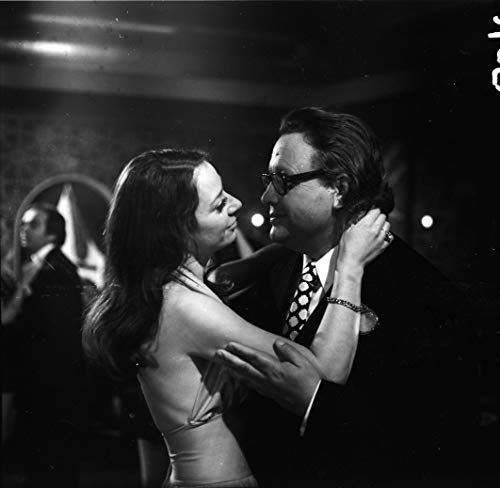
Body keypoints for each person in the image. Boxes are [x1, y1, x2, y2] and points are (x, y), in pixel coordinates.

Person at [82, 148, 391, 488]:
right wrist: (350, 267)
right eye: (218, 205)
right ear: (177, 229)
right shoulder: (186, 307)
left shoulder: (169, 287)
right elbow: (324, 372)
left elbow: (236, 272)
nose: (237, 203)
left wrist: (301, 238)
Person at [214, 107, 478, 486]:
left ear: (338, 189)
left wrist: (315, 403)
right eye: (268, 179)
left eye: (282, 180)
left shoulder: (425, 295)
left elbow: (440, 445)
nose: (266, 195)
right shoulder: (274, 269)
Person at [14, 203, 87, 487]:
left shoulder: (56, 270)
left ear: (52, 234)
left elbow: (58, 334)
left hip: (51, 386)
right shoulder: (39, 266)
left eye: (33, 224)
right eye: (23, 224)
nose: (24, 229)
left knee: (52, 464)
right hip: (43, 384)